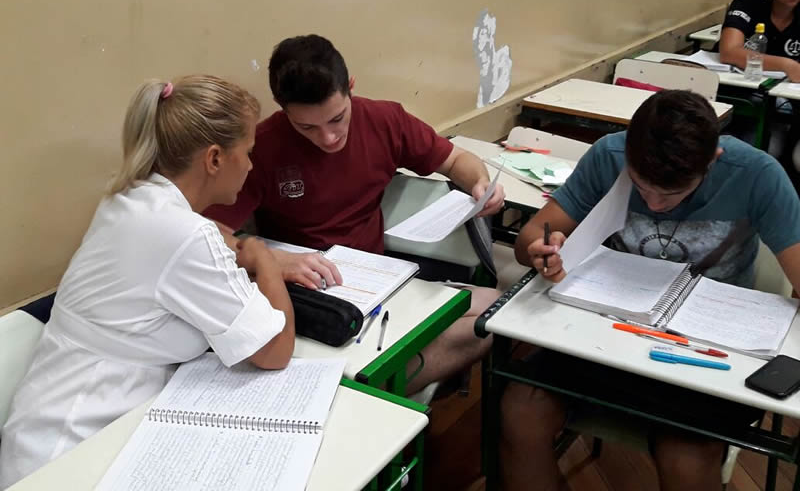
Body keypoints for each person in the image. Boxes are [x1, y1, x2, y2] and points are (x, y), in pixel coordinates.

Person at [0, 76, 295, 488]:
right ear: (214, 159)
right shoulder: (184, 233)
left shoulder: (128, 198)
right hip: (68, 457)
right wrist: (265, 258)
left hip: (49, 432)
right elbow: (276, 351)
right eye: (248, 152)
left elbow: (192, 240)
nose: (250, 165)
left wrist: (236, 248)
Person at [501, 90, 800, 491]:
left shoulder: (757, 175)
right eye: (641, 188)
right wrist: (540, 251)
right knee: (521, 411)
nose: (655, 204)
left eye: (672, 193)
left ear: (713, 160)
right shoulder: (610, 155)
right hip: (602, 335)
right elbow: (531, 237)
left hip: (702, 355)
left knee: (686, 459)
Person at [206, 34, 505, 394]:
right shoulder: (262, 146)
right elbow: (205, 230)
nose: (329, 138)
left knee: (495, 310)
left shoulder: (384, 120)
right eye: (307, 127)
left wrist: (479, 184)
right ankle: (376, 384)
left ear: (350, 87)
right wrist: (273, 260)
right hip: (309, 293)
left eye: (337, 118)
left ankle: (375, 386)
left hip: (378, 279)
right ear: (282, 108)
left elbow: (456, 159)